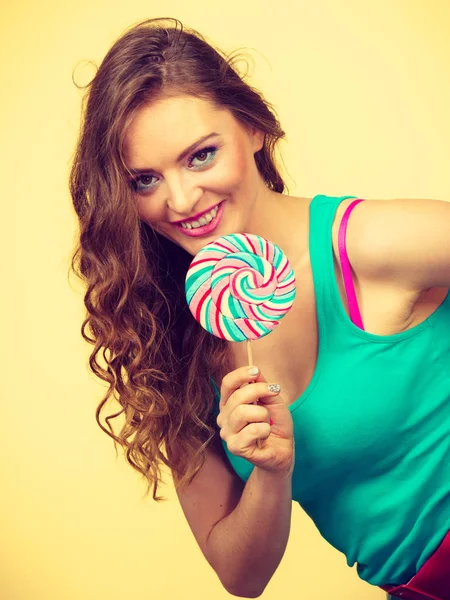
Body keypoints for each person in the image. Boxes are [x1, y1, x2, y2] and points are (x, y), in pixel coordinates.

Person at [69, 17, 450, 600]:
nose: (180, 200)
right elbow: (241, 576)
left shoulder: (363, 246)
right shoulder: (169, 341)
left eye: (200, 156)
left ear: (252, 127)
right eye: (145, 179)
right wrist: (270, 474)